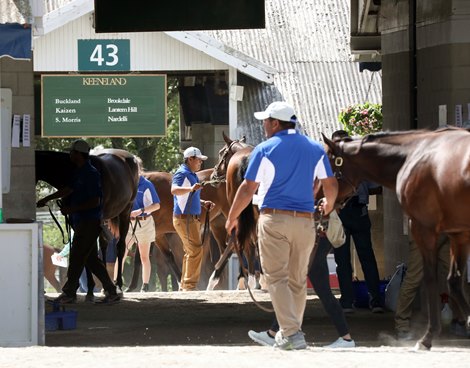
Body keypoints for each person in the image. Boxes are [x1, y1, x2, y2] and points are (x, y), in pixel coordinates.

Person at [225, 101, 338, 350]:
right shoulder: (314, 148)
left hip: (274, 219)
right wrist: (328, 206)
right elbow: (330, 182)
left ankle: (292, 334)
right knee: (297, 280)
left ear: (275, 123)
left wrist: (232, 216)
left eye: (265, 120)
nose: (263, 124)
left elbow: (247, 187)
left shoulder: (265, 149)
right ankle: (291, 333)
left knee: (276, 278)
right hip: (306, 221)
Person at [37, 139, 119, 304]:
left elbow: (95, 201)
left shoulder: (91, 173)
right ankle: (111, 291)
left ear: (78, 154)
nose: (70, 155)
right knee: (90, 259)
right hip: (82, 222)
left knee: (76, 257)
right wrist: (47, 199)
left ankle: (69, 293)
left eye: (72, 152)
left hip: (89, 222)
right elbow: (68, 189)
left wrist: (71, 209)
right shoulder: (79, 172)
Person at [248, 235, 355, 349]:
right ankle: (273, 333)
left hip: (316, 238)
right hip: (315, 239)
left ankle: (346, 338)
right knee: (301, 288)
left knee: (319, 291)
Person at [331, 130, 384, 313]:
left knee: (354, 258)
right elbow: (376, 187)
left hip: (349, 212)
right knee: (355, 258)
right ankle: (363, 300)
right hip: (350, 212)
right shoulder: (351, 163)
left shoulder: (338, 164)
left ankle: (359, 301)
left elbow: (376, 188)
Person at [395, 234, 457, 340]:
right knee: (414, 279)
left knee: (454, 276)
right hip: (422, 231)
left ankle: (460, 320)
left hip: (443, 232)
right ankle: (402, 324)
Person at [171, 146, 214, 291]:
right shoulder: (182, 173)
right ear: (190, 159)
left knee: (191, 251)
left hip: (190, 219)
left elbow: (190, 196)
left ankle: (185, 285)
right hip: (185, 219)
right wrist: (191, 189)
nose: (201, 163)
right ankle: (189, 286)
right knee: (195, 251)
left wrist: (203, 203)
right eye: (199, 160)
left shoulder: (191, 174)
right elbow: (174, 190)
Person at [124, 157, 161, 292]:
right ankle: (115, 283)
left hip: (144, 223)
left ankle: (145, 286)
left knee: (144, 256)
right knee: (121, 253)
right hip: (128, 224)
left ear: (139, 169)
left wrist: (142, 211)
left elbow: (156, 205)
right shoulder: (125, 183)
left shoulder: (146, 185)